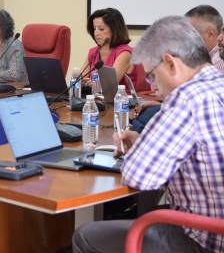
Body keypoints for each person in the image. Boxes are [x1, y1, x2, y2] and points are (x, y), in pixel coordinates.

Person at [73, 16, 224, 253]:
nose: (153, 86)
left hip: (204, 239)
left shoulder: (186, 99)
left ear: (171, 64)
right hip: (216, 229)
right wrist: (146, 142)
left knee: (87, 235)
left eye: (152, 75)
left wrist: (142, 148)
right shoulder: (217, 84)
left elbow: (139, 177)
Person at [83, 8, 138, 87]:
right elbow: (79, 79)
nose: (96, 33)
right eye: (94, 28)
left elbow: (109, 85)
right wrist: (81, 82)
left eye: (101, 29)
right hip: (96, 98)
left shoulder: (124, 53)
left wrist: (91, 84)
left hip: (121, 98)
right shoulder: (93, 52)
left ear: (115, 29)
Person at [185, 4, 224, 71]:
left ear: (210, 34)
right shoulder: (207, 60)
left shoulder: (217, 63)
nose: (187, 40)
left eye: (191, 34)